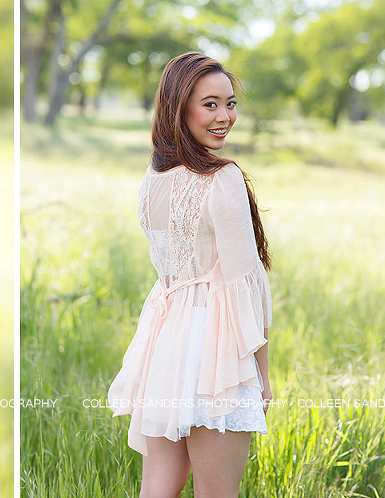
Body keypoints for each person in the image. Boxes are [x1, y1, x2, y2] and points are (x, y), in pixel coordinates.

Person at [108, 52, 272, 498]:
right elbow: (244, 285)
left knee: (156, 490)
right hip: (217, 351)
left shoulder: (152, 179)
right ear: (178, 108)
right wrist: (262, 375)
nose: (225, 117)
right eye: (211, 104)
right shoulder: (223, 177)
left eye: (230, 103)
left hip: (164, 345)